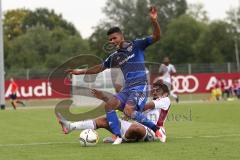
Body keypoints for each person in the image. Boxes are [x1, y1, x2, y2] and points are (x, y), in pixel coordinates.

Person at [65, 6, 161, 145]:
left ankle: (157, 130)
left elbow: (157, 36)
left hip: (140, 87)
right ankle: (118, 136)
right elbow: (99, 68)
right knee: (109, 104)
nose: (112, 41)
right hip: (128, 89)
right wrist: (79, 72)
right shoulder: (115, 56)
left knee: (128, 111)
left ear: (122, 36)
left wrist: (154, 21)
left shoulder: (137, 45)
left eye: (114, 38)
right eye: (110, 40)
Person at [57, 81, 171, 143]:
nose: (155, 92)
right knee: (104, 120)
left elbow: (141, 108)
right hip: (138, 126)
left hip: (153, 131)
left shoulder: (165, 100)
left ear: (165, 93)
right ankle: (70, 126)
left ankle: (120, 137)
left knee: (135, 128)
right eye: (154, 90)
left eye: (158, 90)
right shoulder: (148, 99)